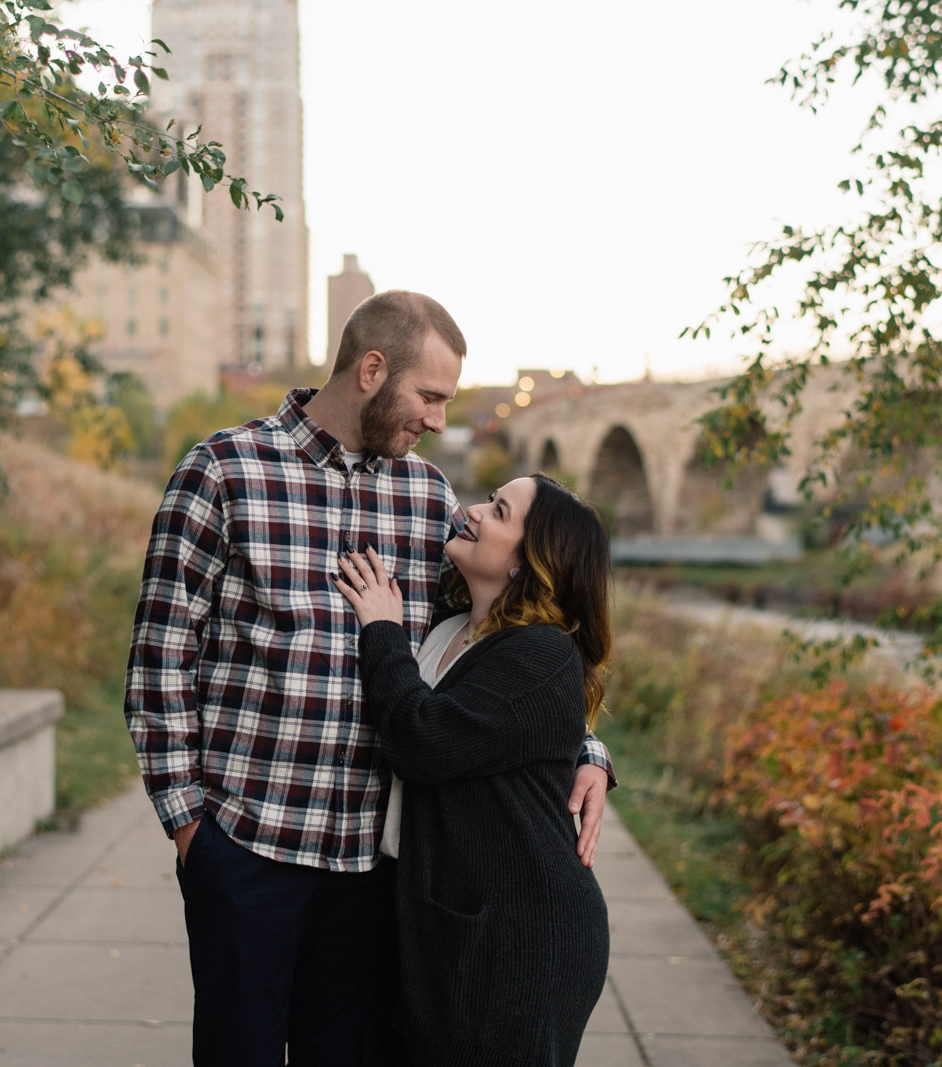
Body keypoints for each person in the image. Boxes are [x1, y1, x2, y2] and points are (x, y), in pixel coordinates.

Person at [124, 290, 614, 1067]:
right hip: (248, 848)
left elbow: (506, 640)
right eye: (429, 396)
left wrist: (585, 746)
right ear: (372, 370)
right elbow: (159, 660)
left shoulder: (426, 501)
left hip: (372, 871)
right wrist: (192, 829)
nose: (439, 420)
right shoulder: (223, 471)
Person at [333, 473, 612, 1067]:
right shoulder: (448, 630)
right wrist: (591, 752)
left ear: (528, 561)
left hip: (520, 936)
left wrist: (381, 630)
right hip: (450, 920)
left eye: (500, 511)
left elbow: (424, 741)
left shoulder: (541, 653)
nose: (475, 510)